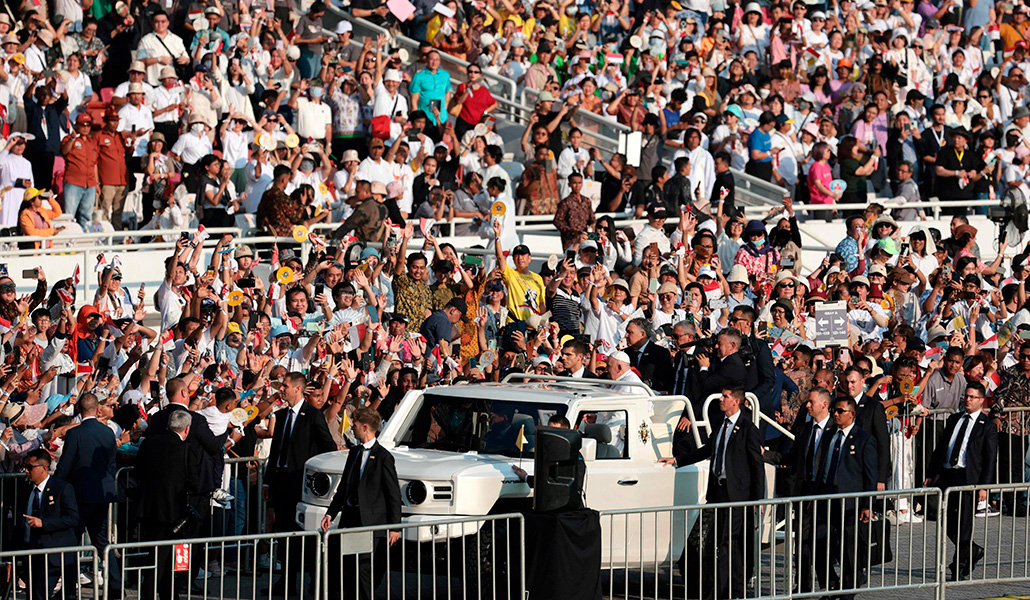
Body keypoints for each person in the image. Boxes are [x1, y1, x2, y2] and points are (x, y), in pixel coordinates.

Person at [660, 386, 764, 600]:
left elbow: (757, 466)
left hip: (737, 495)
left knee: (728, 542)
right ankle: (734, 589)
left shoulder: (747, 428)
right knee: (721, 542)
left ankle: (721, 592)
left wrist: (757, 499)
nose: (721, 400)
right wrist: (678, 460)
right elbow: (708, 449)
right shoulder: (721, 423)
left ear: (736, 401)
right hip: (717, 490)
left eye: (725, 397)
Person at [263, 371, 337, 594]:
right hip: (282, 483)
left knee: (306, 536)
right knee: (284, 533)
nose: (282, 389)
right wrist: (268, 482)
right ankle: (286, 582)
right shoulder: (282, 415)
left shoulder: (313, 415)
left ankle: (315, 582)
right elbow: (276, 451)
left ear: (298, 388)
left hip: (302, 485)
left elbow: (329, 449)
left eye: (285, 385)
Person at [321, 407, 402, 600]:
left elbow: (393, 494)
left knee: (364, 568)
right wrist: (330, 513)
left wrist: (394, 527)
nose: (353, 429)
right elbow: (343, 489)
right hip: (350, 518)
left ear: (365, 428)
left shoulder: (383, 457)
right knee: (347, 566)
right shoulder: (354, 452)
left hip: (371, 521)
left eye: (355, 425)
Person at [925, 382, 997, 581]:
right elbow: (941, 447)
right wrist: (931, 473)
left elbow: (990, 459)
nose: (968, 400)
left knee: (964, 522)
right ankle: (972, 549)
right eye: (966, 396)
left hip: (968, 477)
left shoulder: (987, 426)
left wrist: (984, 486)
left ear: (981, 400)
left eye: (973, 397)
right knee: (945, 520)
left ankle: (960, 566)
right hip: (948, 474)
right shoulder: (955, 419)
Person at [52, 393, 120, 592]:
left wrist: (54, 487)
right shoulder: (108, 433)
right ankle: (116, 585)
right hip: (101, 493)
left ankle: (70, 590)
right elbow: (111, 464)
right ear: (98, 410)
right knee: (101, 541)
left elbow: (65, 465)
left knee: (73, 540)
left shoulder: (76, 434)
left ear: (79, 411)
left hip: (79, 494)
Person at [135, 410, 197, 600]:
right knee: (165, 558)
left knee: (156, 555)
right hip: (173, 512)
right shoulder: (186, 449)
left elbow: (138, 471)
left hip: (148, 508)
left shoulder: (150, 442)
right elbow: (192, 481)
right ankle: (156, 594)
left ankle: (166, 593)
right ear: (187, 429)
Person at [821, 397, 879, 600]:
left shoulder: (863, 439)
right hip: (829, 498)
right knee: (827, 543)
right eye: (834, 410)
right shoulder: (829, 436)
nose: (835, 414)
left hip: (851, 503)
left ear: (851, 414)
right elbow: (823, 468)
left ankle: (849, 589)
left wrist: (867, 504)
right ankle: (832, 586)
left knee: (849, 547)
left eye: (840, 411)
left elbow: (870, 475)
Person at [17, 449, 79, 600]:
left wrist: (44, 523)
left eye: (30, 467)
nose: (26, 471)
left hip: (53, 553)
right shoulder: (25, 490)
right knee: (32, 595)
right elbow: (19, 524)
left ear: (44, 468)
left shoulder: (62, 488)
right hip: (31, 553)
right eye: (25, 466)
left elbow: (72, 518)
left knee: (41, 594)